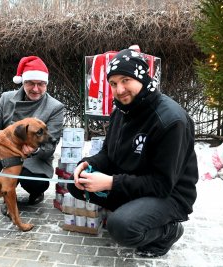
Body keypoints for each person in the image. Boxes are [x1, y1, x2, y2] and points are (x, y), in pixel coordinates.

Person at [67, 48, 198, 257]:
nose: (119, 90)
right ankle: (134, 209)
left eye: (126, 80)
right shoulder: (121, 110)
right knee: (75, 185)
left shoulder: (171, 120)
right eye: (113, 83)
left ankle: (168, 231)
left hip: (170, 195)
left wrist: (110, 183)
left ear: (142, 78)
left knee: (120, 226)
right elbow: (108, 153)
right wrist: (87, 164)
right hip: (133, 181)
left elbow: (162, 184)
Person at [0, 55, 64, 213]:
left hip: (33, 159)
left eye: (40, 84)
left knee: (36, 183)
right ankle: (4, 194)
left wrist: (35, 150)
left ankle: (36, 192)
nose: (35, 89)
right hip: (4, 155)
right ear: (23, 82)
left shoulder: (55, 107)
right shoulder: (6, 98)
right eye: (30, 83)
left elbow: (50, 145)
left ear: (46, 84)